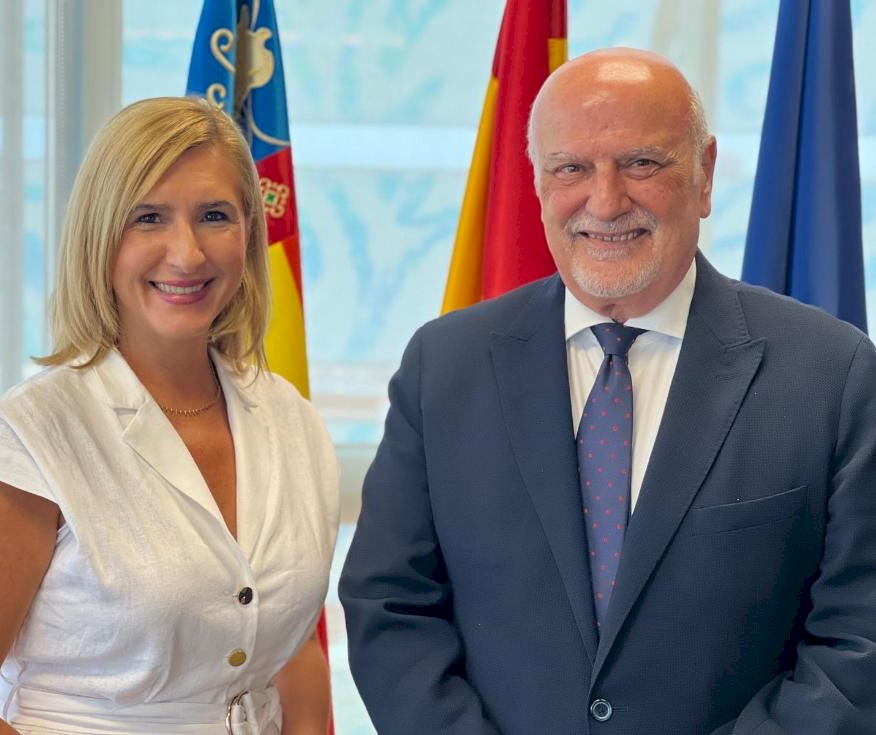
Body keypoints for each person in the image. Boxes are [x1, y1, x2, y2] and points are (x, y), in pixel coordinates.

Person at [339, 48, 876, 734]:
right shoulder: (443, 368)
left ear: (705, 174)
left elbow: (858, 644)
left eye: (641, 163)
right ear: (538, 183)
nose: (605, 200)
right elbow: (391, 608)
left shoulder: (832, 375)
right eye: (571, 168)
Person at [0, 96, 339, 735]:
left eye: (214, 216)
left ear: (249, 233)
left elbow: (291, 647)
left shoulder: (293, 421)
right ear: (101, 237)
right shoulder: (31, 438)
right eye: (149, 218)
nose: (186, 254)